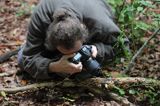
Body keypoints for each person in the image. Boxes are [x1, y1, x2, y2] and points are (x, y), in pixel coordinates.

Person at [18, 0, 121, 80]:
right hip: (51, 41)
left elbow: (122, 45)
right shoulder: (41, 18)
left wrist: (97, 49)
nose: (75, 56)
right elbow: (29, 58)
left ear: (84, 33)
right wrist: (54, 66)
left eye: (77, 52)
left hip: (91, 16)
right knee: (20, 58)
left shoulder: (100, 23)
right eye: (67, 54)